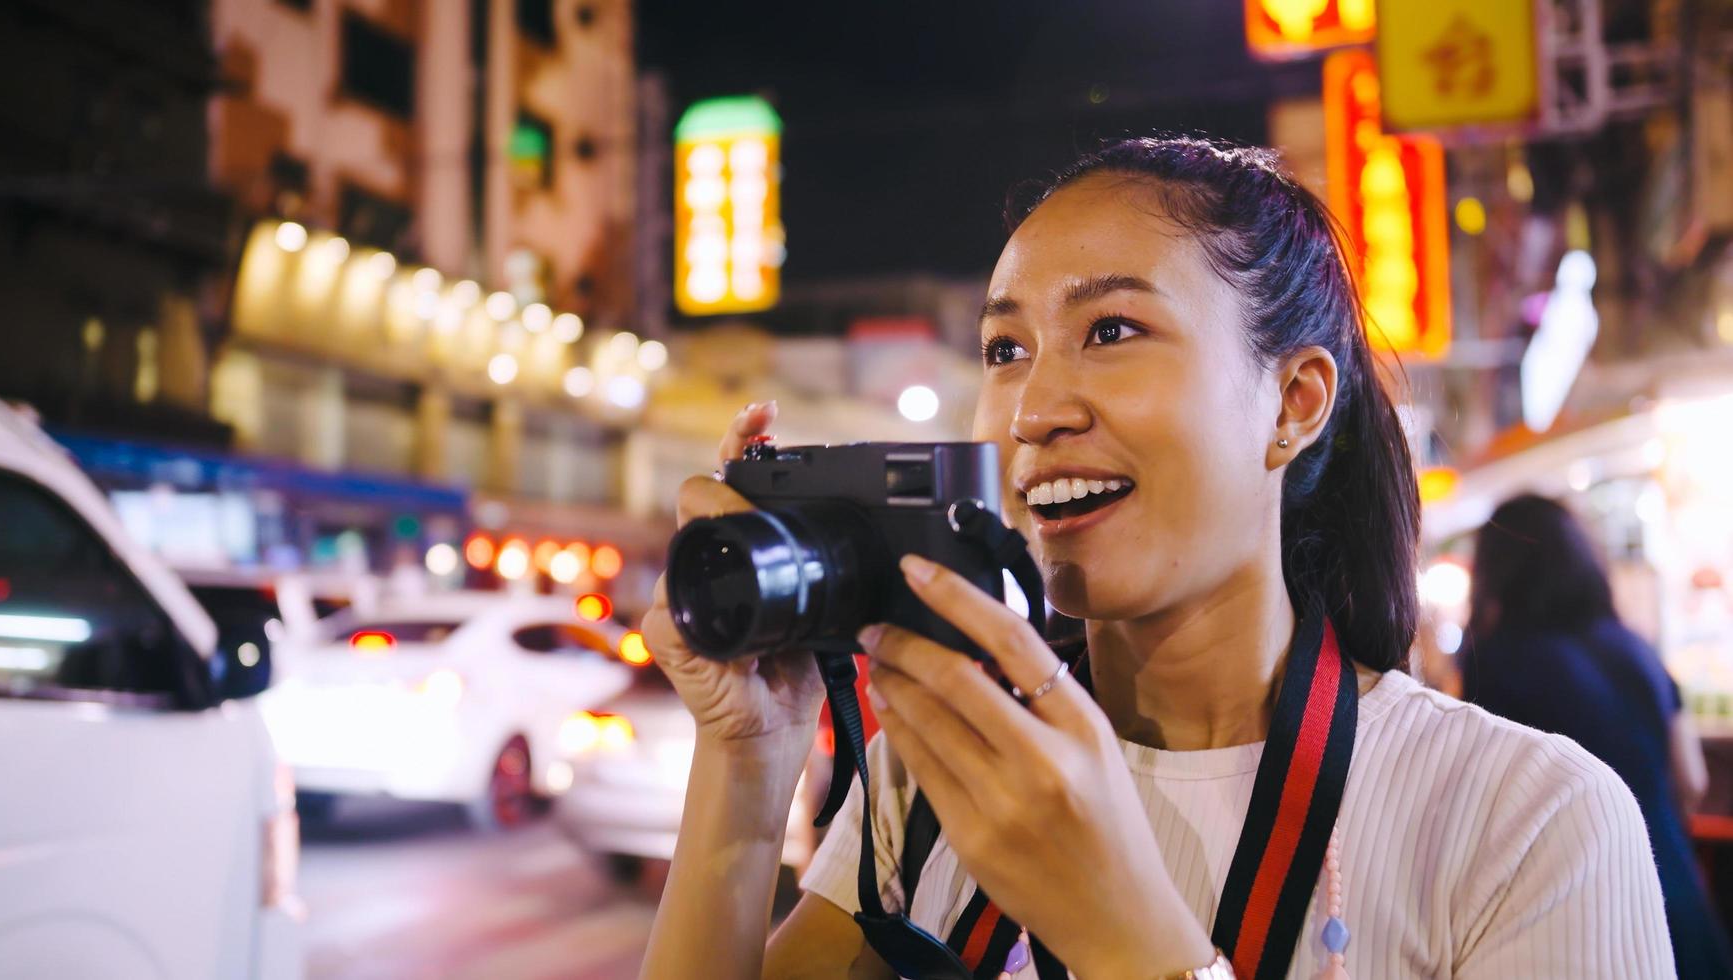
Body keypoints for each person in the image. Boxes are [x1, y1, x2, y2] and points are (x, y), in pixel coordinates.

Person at [638, 137, 1672, 978]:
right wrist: (746, 755)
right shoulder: (942, 764)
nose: (1035, 409)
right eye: (1005, 349)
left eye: (1112, 328)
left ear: (1292, 401)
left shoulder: (1527, 818)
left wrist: (1129, 937)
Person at [1463, 493, 1731, 979]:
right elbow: (1691, 780)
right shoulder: (1636, 650)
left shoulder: (1497, 662)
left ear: (1494, 570)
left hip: (1585, 921)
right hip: (1680, 901)